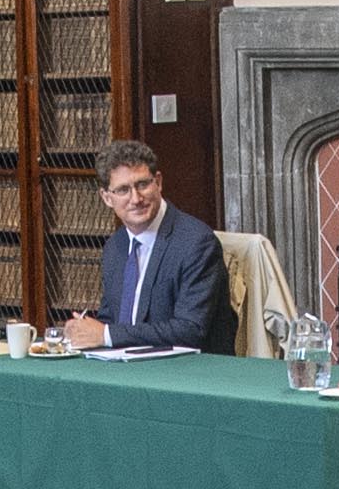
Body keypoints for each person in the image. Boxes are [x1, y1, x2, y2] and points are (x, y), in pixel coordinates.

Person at [55, 139, 228, 355]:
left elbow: (190, 330)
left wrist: (107, 335)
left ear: (159, 182)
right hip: (125, 370)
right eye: (123, 190)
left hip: (184, 374)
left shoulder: (196, 242)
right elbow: (112, 320)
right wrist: (84, 330)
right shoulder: (114, 247)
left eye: (143, 185)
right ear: (107, 198)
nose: (136, 199)